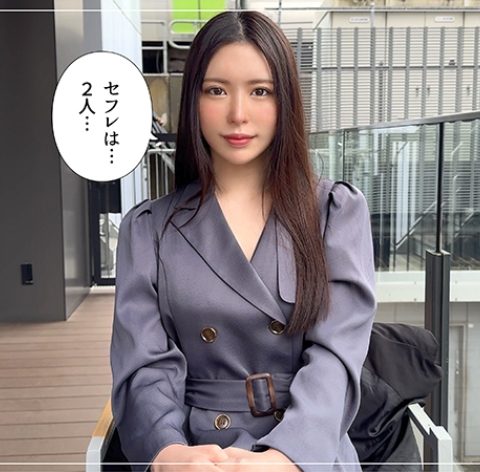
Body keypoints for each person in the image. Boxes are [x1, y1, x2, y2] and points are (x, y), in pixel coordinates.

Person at [110, 10, 376, 472]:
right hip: (196, 451)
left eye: (260, 91)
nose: (238, 114)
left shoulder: (334, 213)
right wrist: (167, 452)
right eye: (216, 90)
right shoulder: (148, 229)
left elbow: (336, 356)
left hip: (308, 449)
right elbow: (145, 366)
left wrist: (287, 456)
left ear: (286, 100)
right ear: (193, 100)